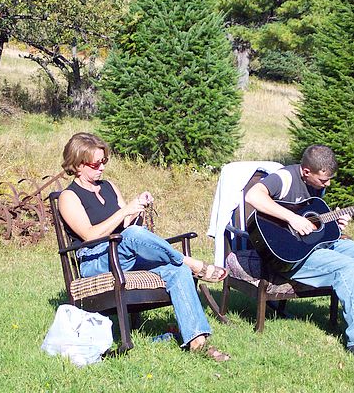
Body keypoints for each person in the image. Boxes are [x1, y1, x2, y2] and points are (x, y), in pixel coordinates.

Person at [58, 132, 229, 361]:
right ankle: (190, 262)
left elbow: (125, 224)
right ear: (78, 165)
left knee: (175, 271)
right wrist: (124, 212)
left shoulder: (108, 186)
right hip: (96, 260)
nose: (102, 167)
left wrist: (137, 206)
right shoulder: (68, 197)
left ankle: (198, 342)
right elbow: (89, 235)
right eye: (96, 163)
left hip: (122, 253)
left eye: (104, 161)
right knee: (135, 236)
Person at [245, 144, 354, 363]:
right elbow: (253, 196)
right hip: (290, 255)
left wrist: (337, 223)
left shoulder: (317, 186)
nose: (328, 184)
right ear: (306, 172)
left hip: (316, 246)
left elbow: (315, 220)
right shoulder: (285, 178)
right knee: (350, 268)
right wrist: (292, 218)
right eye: (324, 180)